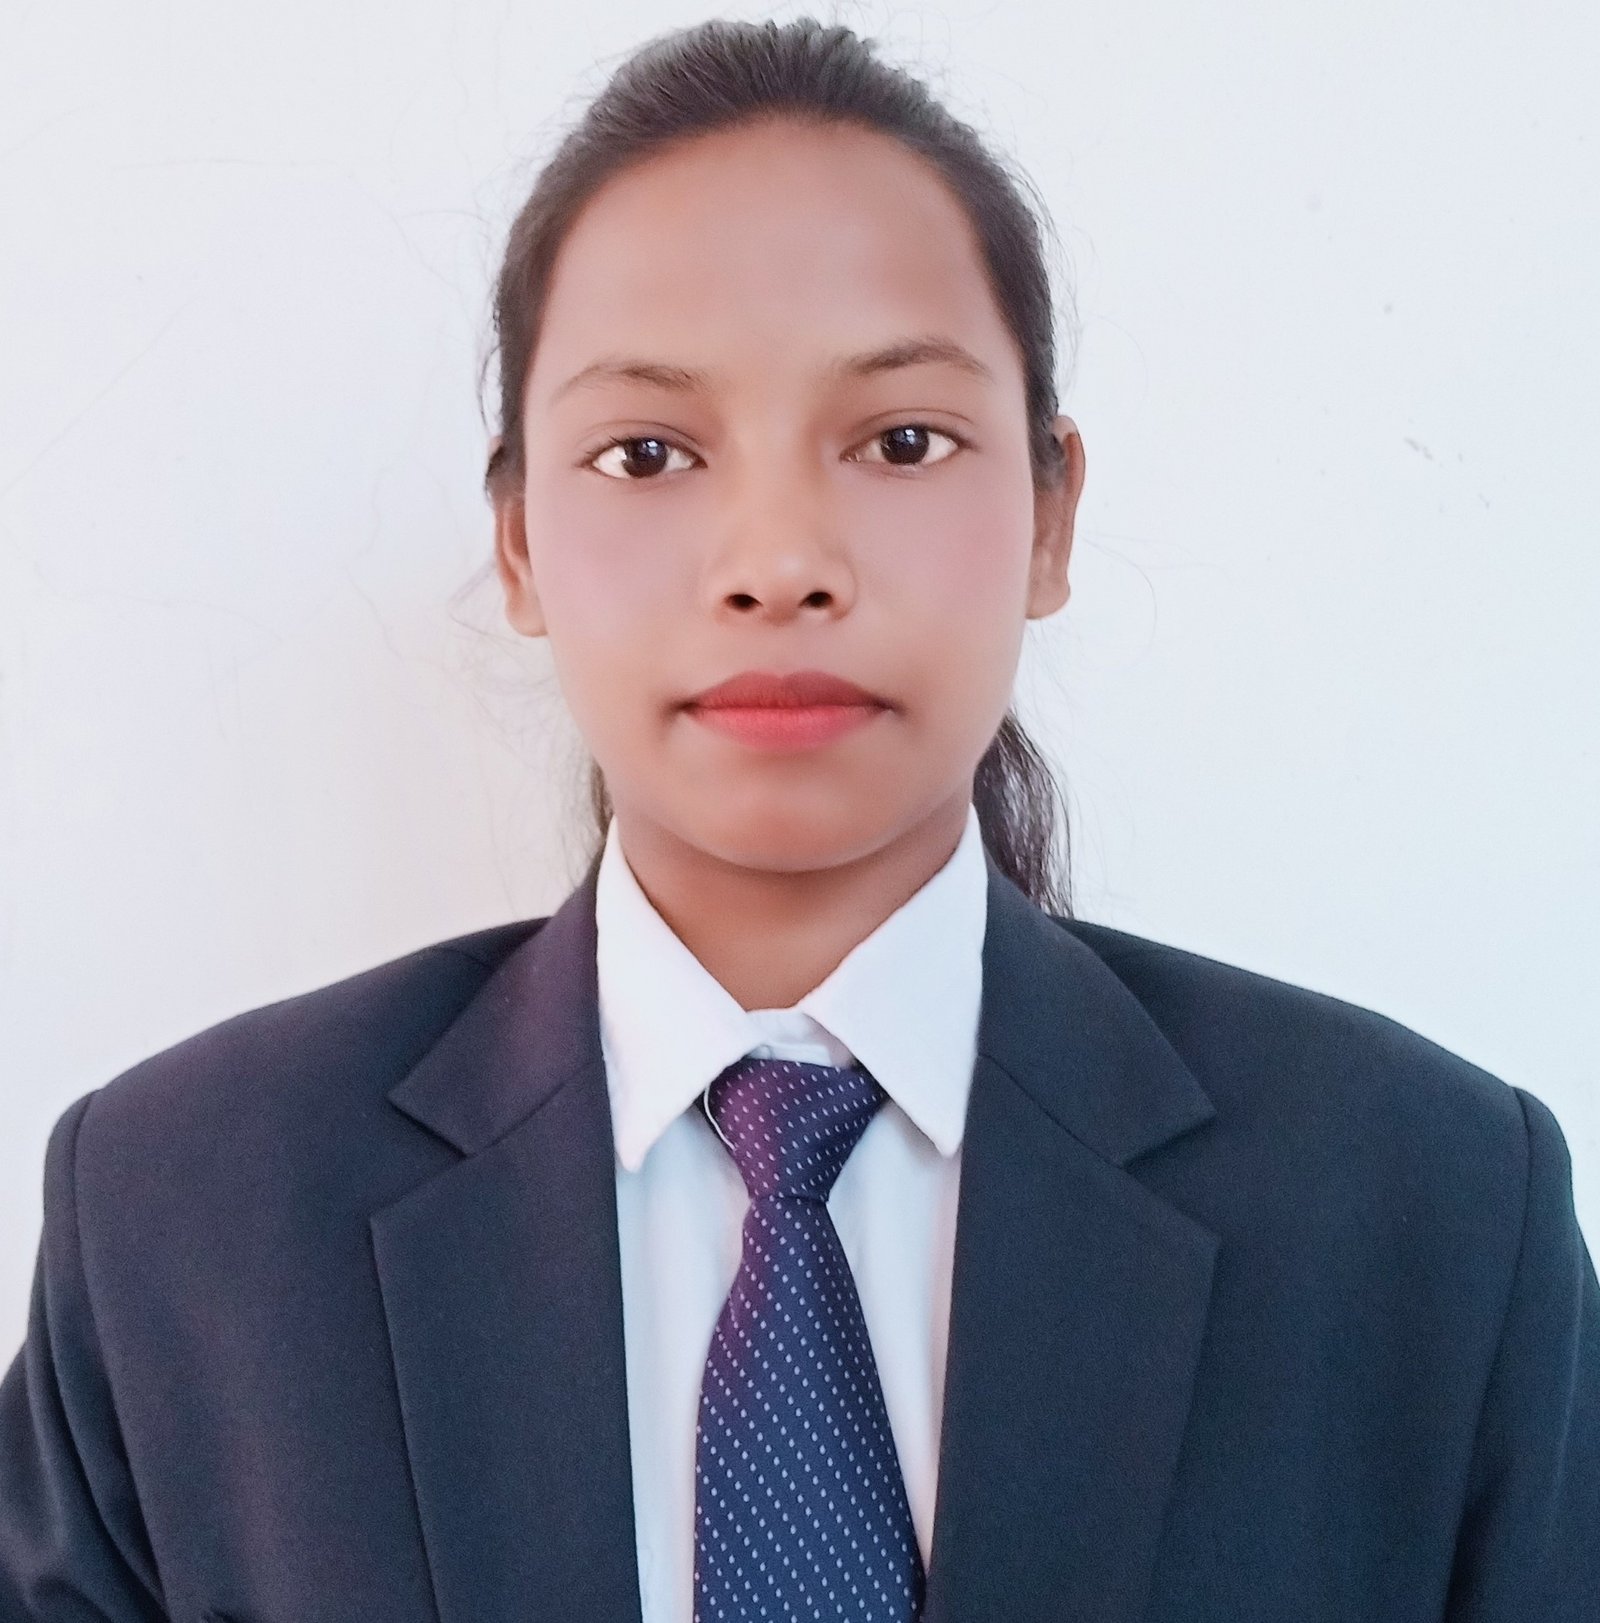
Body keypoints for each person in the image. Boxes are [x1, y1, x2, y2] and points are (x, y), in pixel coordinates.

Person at [2, 15, 1595, 1623]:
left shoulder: (1435, 1214)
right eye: (647, 452)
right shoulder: (182, 1223)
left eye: (902, 441)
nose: (778, 562)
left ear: (1051, 514)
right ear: (521, 542)